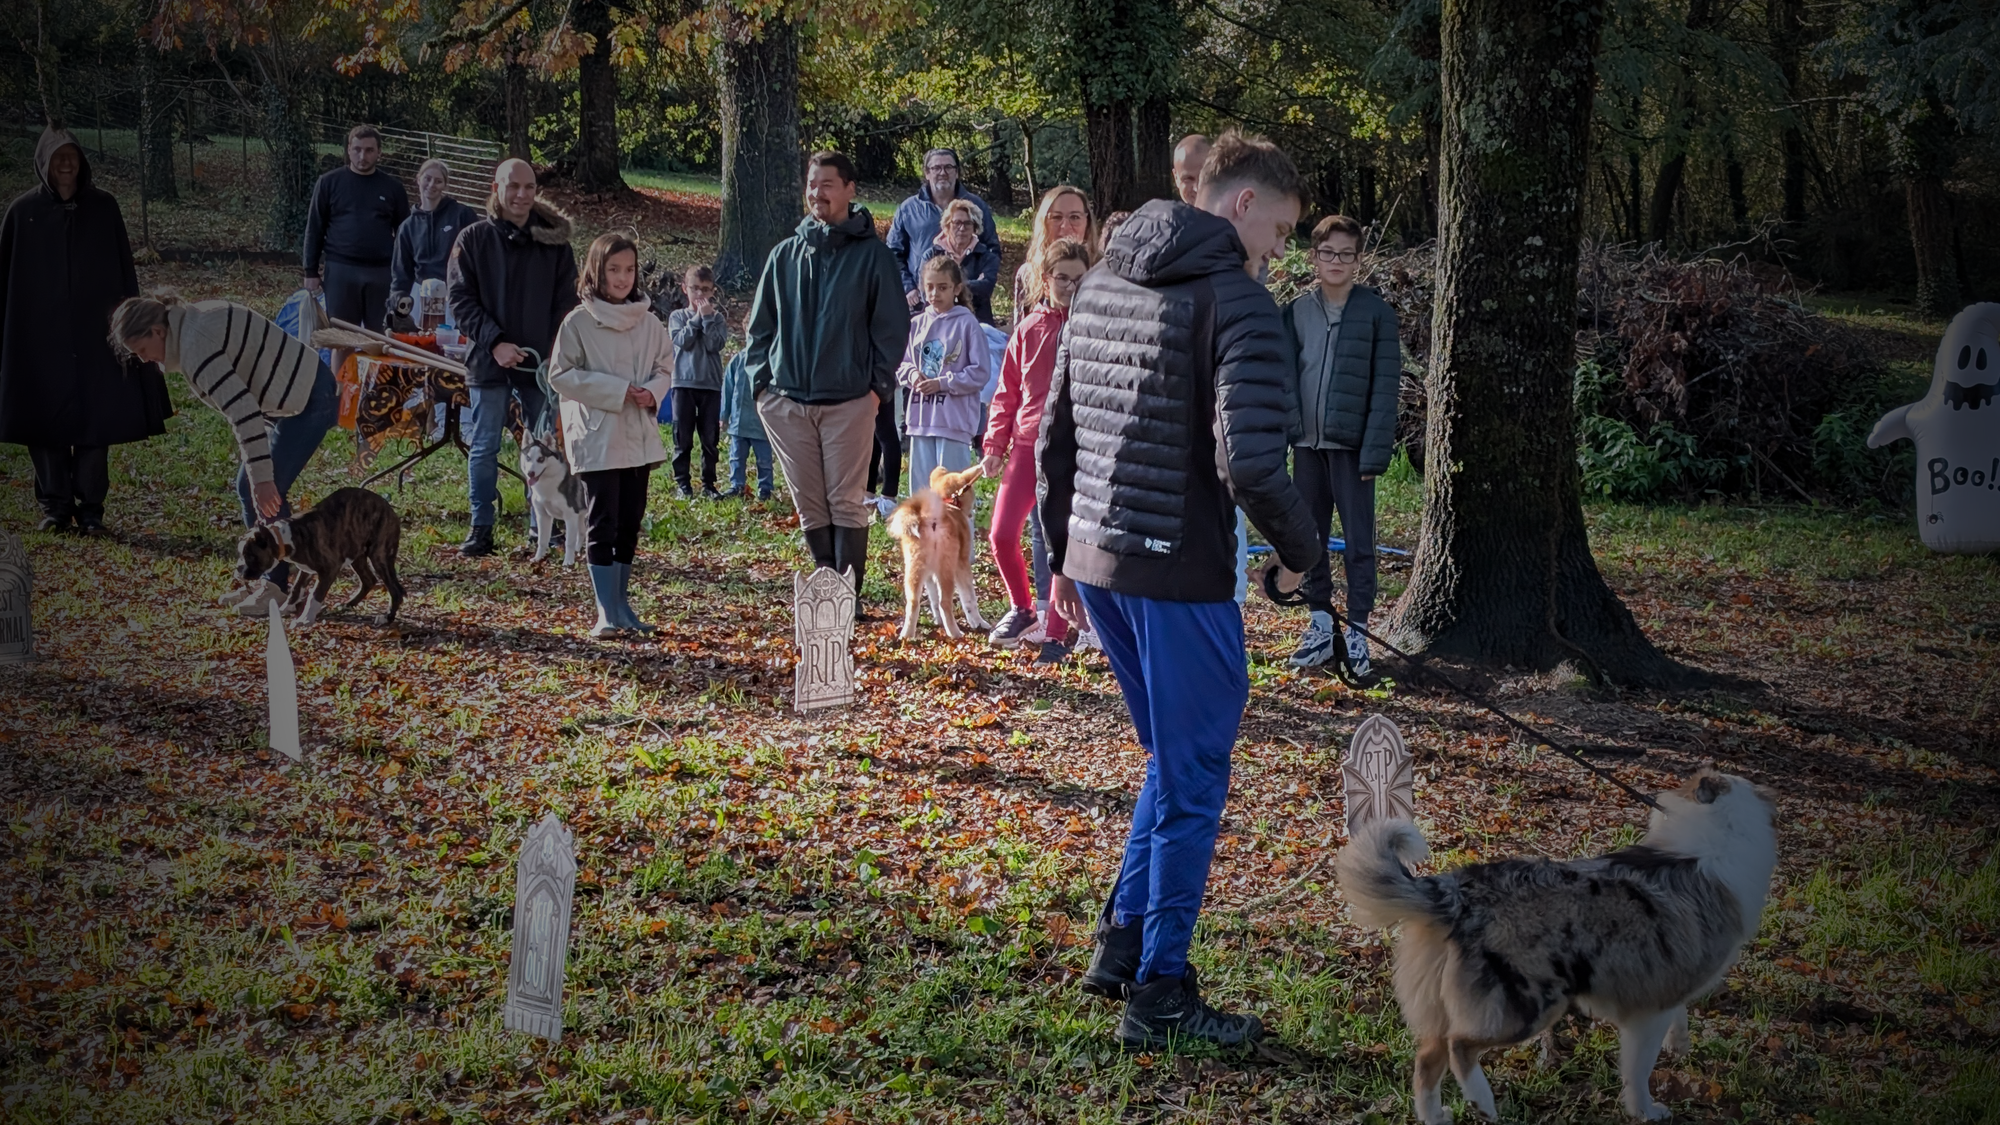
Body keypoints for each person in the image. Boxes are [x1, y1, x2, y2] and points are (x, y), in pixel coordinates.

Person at [1039, 130, 1324, 1048]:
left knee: (1169, 754)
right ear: (1241, 203)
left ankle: (1123, 941)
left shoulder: (1108, 279)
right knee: (1195, 774)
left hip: (1101, 561)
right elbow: (1250, 462)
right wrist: (1302, 556)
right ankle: (1161, 991)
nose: (1280, 252)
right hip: (1180, 569)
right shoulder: (1238, 303)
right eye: (1280, 230)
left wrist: (1061, 555)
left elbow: (1054, 436)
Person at [745, 151, 907, 616]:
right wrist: (762, 390)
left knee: (847, 502)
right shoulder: (784, 256)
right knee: (810, 502)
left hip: (850, 401)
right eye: (813, 184)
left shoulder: (873, 257)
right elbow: (760, 329)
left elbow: (892, 330)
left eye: (828, 184)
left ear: (850, 189)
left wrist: (875, 390)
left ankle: (848, 601)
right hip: (787, 401)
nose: (818, 192)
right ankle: (826, 593)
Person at [110, 293, 340, 615]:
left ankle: (275, 586)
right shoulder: (191, 320)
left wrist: (262, 479)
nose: (146, 360)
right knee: (249, 485)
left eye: (143, 351)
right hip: (296, 393)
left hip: (307, 401)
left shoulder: (195, 348)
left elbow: (243, 411)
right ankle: (270, 581)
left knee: (253, 487)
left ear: (157, 331)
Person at [0, 127, 171, 534]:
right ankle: (55, 507)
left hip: (99, 339)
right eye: (58, 158)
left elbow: (124, 273)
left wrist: (132, 328)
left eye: (72, 157)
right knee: (43, 420)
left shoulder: (104, 208)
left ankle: (91, 509)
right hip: (39, 341)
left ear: (82, 162)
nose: (65, 165)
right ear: (44, 162)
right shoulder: (22, 213)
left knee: (99, 420)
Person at [1282, 214, 1400, 676]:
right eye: (1327, 252)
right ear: (1313, 257)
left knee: (1358, 543)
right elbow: (1285, 379)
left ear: (1358, 260)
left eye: (1346, 254)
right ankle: (1320, 625)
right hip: (1306, 448)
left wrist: (1374, 451)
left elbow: (1384, 388)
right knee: (1307, 538)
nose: (1336, 261)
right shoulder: (1294, 312)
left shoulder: (1376, 314)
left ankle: (1358, 632)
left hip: (1352, 451)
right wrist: (1286, 435)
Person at [446, 157, 578, 557]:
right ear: (496, 189)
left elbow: (566, 305)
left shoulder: (555, 243)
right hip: (489, 360)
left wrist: (555, 354)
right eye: (513, 187)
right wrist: (495, 342)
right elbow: (460, 300)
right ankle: (481, 526)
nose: (521, 195)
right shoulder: (471, 239)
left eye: (529, 187)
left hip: (539, 366)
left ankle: (545, 527)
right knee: (484, 445)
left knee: (545, 446)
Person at [548, 233, 674, 638]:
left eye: (629, 270)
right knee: (602, 519)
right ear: (596, 270)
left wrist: (650, 392)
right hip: (598, 435)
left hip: (638, 433)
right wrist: (618, 391)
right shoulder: (579, 321)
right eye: (613, 269)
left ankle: (622, 606)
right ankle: (604, 610)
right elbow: (561, 375)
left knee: (629, 521)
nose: (622, 278)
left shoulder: (649, 321)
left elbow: (665, 367)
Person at [981, 238, 1088, 656]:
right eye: (1062, 278)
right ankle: (1023, 608)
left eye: (1078, 280)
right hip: (1027, 445)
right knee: (1002, 533)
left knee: (1061, 540)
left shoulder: (1089, 327)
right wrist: (994, 443)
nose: (1069, 286)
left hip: (1072, 448)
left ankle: (1058, 633)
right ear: (1046, 280)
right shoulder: (1029, 328)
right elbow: (1007, 392)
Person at [302, 125, 410, 332]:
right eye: (357, 149)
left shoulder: (393, 188)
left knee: (381, 338)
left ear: (379, 152)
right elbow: (314, 227)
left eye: (369, 150)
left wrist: (404, 275)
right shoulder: (328, 183)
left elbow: (405, 237)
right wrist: (310, 271)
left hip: (381, 273)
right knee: (341, 338)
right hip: (341, 271)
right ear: (348, 149)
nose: (363, 156)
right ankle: (339, 368)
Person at [897, 256, 989, 492]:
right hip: (921, 420)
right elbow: (902, 364)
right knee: (922, 495)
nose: (934, 293)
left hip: (953, 422)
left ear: (956, 289)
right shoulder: (916, 324)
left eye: (942, 287)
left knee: (952, 494)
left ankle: (958, 531)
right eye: (929, 287)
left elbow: (980, 372)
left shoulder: (968, 324)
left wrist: (943, 383)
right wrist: (913, 376)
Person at [886, 147, 1001, 313]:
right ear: (927, 173)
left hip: (971, 307)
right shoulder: (908, 209)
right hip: (921, 304)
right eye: (936, 168)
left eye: (949, 167)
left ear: (957, 172)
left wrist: (973, 286)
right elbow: (893, 253)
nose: (943, 172)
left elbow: (992, 248)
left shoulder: (977, 206)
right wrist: (908, 287)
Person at [389, 158, 480, 327]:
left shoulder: (462, 215)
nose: (432, 185)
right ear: (418, 179)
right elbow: (401, 275)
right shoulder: (407, 227)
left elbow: (478, 257)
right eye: (427, 178)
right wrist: (398, 307)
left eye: (438, 181)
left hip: (453, 295)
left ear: (445, 185)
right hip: (420, 296)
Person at [668, 265, 728, 499]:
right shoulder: (677, 317)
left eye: (705, 290)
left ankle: (709, 484)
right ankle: (682, 483)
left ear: (713, 291)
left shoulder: (718, 318)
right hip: (683, 384)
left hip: (710, 385)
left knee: (709, 439)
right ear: (685, 289)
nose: (700, 295)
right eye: (695, 289)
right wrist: (695, 319)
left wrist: (707, 319)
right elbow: (682, 342)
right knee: (682, 437)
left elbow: (715, 344)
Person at [1009, 186, 1096, 326]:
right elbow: (1020, 334)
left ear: (1087, 222)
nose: (1065, 226)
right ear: (1043, 223)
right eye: (1056, 217)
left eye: (1075, 217)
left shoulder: (1104, 271)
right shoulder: (1028, 274)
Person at [919, 198, 1002, 325]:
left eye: (968, 223)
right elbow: (924, 289)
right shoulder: (932, 255)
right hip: (936, 322)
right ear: (947, 226)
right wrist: (971, 285)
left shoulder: (987, 257)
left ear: (975, 227)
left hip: (977, 322)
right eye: (957, 223)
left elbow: (986, 288)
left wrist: (946, 287)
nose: (962, 228)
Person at [719, 351, 774, 500]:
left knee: (764, 460)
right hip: (739, 421)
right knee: (736, 457)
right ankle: (737, 486)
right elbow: (728, 387)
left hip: (761, 422)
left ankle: (765, 489)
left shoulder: (769, 357)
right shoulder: (738, 359)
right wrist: (724, 415)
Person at [1172, 134, 1211, 205]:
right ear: (1176, 178)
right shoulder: (1164, 215)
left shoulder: (1235, 214)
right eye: (1188, 179)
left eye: (1204, 178)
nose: (1197, 188)